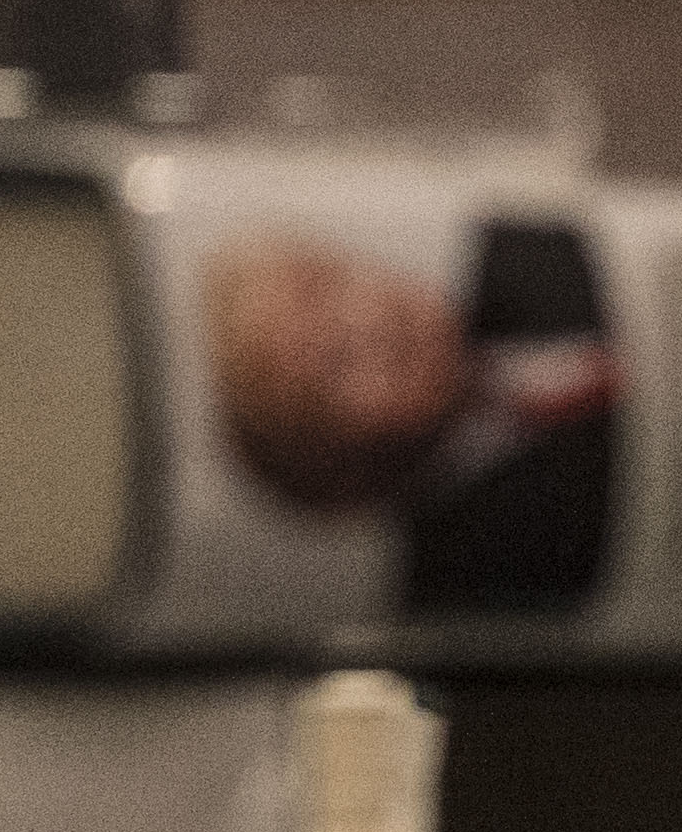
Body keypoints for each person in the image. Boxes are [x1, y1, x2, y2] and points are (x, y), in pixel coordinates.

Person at [199, 223, 630, 618]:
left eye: (333, 286)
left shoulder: (541, 247)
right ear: (342, 462)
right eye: (337, 364)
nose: (371, 325)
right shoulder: (469, 595)